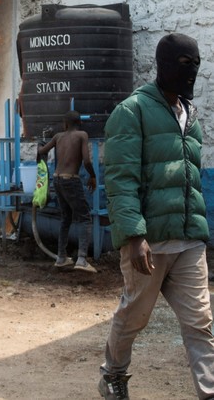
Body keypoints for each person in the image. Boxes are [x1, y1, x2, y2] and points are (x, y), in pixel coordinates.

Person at [98, 32, 214, 400]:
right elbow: (121, 179)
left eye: (196, 65)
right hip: (149, 240)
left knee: (200, 322)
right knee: (134, 318)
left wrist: (199, 230)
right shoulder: (131, 112)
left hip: (188, 240)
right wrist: (134, 236)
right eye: (183, 64)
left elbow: (190, 181)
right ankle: (113, 375)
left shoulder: (190, 118)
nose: (191, 72)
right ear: (162, 65)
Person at [37, 110, 98, 273]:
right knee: (85, 218)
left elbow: (41, 152)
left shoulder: (58, 137)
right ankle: (82, 259)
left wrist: (40, 142)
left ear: (65, 124)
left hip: (57, 179)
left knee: (66, 218)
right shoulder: (82, 135)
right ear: (80, 123)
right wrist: (93, 176)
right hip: (71, 179)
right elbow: (86, 160)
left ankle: (61, 257)